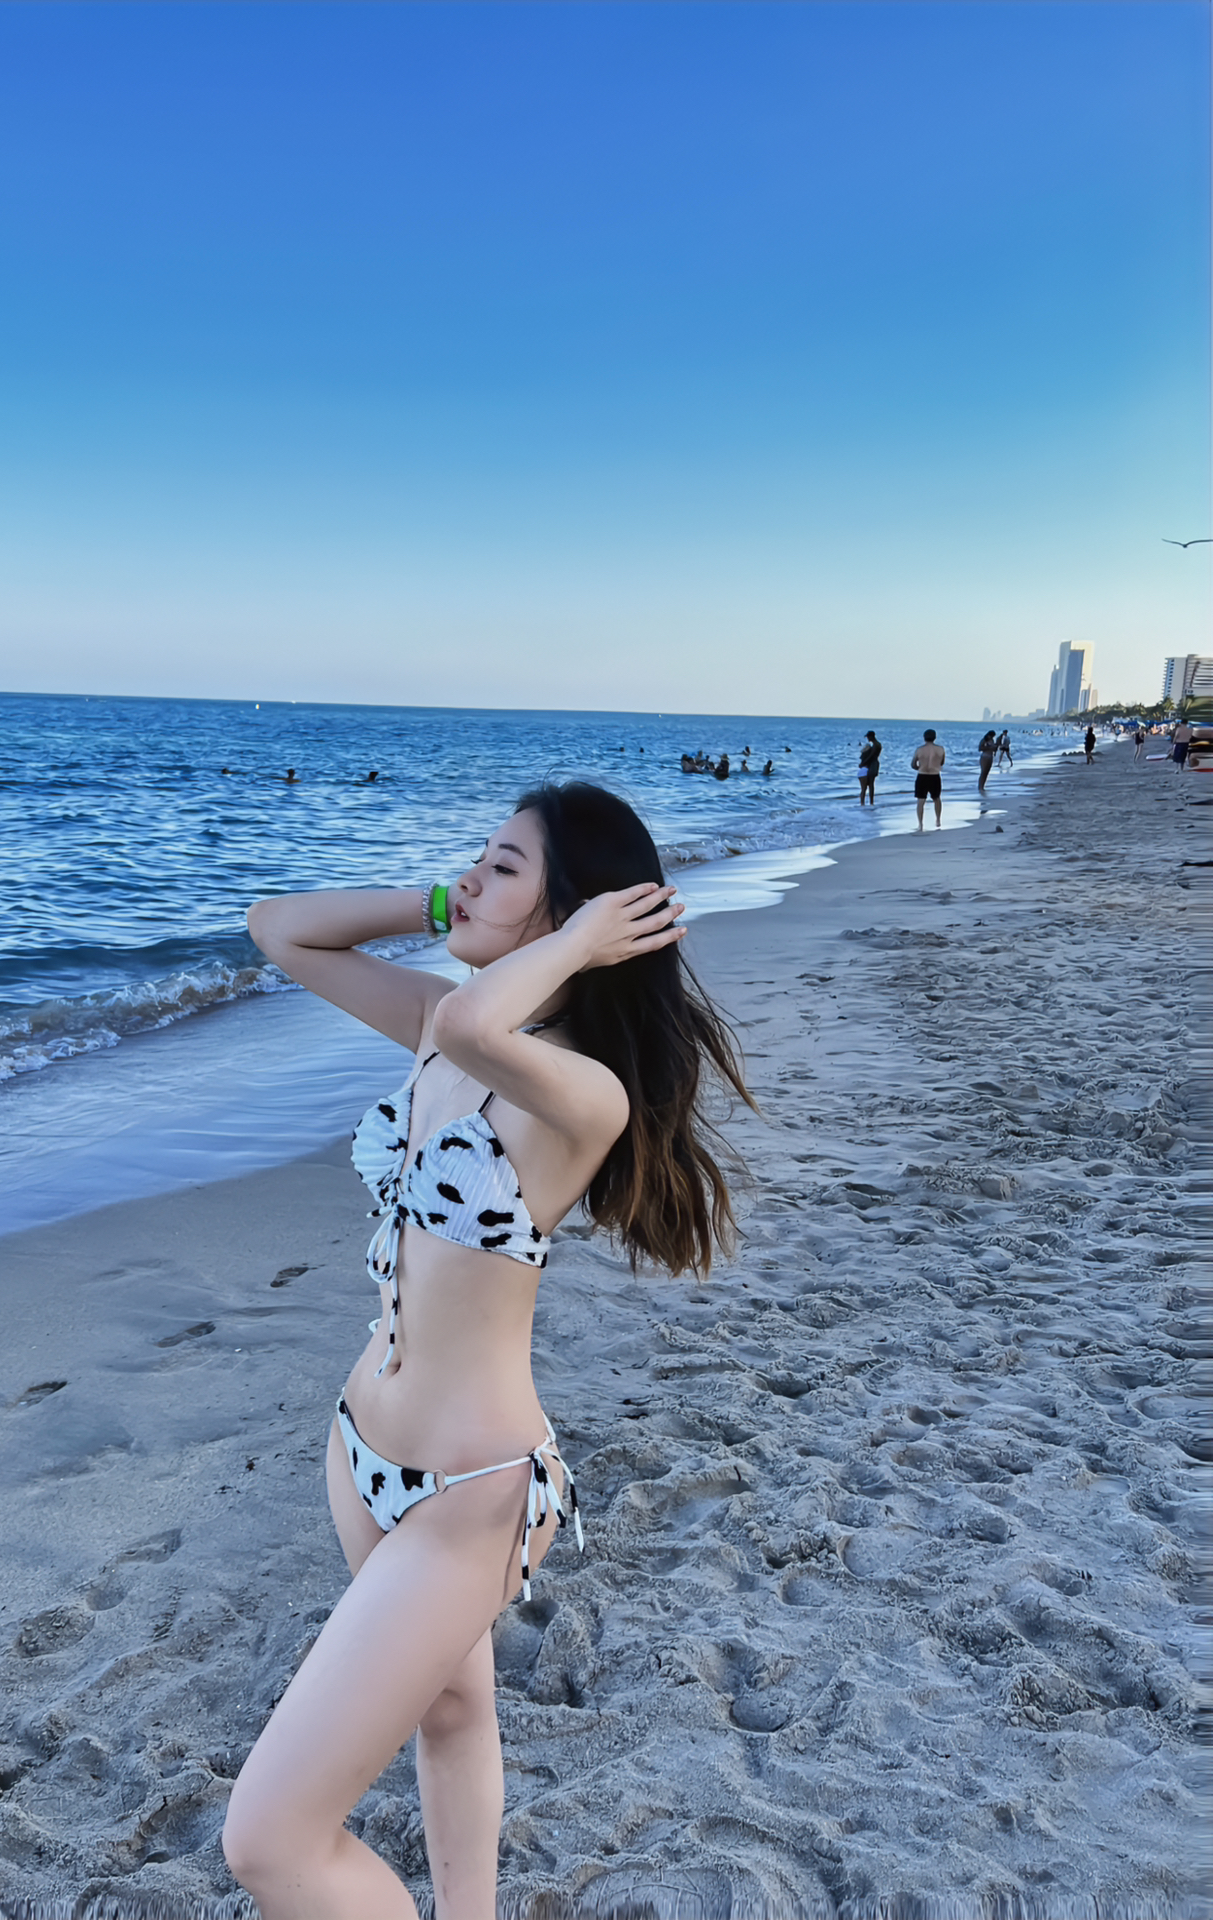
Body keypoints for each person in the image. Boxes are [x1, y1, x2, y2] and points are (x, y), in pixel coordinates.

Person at [222, 782, 751, 1913]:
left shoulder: (583, 1095)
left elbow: (477, 1027)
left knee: (268, 1841)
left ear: (577, 914)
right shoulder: (436, 1021)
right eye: (477, 858)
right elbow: (280, 927)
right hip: (361, 1450)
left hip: (473, 1491)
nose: (469, 876)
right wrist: (446, 903)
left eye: (504, 866)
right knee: (452, 1714)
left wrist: (576, 942)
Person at [911, 729, 945, 830]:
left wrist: (919, 768)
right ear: (935, 737)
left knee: (921, 800)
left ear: (924, 738)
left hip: (922, 775)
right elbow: (942, 762)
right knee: (936, 798)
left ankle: (920, 824)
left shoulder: (919, 750)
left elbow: (913, 764)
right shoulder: (940, 749)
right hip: (935, 775)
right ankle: (938, 820)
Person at [857, 731, 881, 807]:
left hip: (873, 764)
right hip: (873, 764)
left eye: (868, 737)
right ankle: (871, 802)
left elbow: (871, 756)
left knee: (871, 784)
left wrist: (863, 763)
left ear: (871, 736)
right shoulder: (876, 744)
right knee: (871, 784)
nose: (867, 738)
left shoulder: (876, 745)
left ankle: (870, 802)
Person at [977, 728, 998, 794]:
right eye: (991, 736)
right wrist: (988, 747)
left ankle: (983, 786)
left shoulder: (992, 740)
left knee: (986, 772)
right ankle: (980, 786)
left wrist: (995, 748)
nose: (992, 737)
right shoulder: (984, 740)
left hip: (990, 757)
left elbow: (994, 749)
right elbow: (980, 748)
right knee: (983, 772)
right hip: (984, 757)